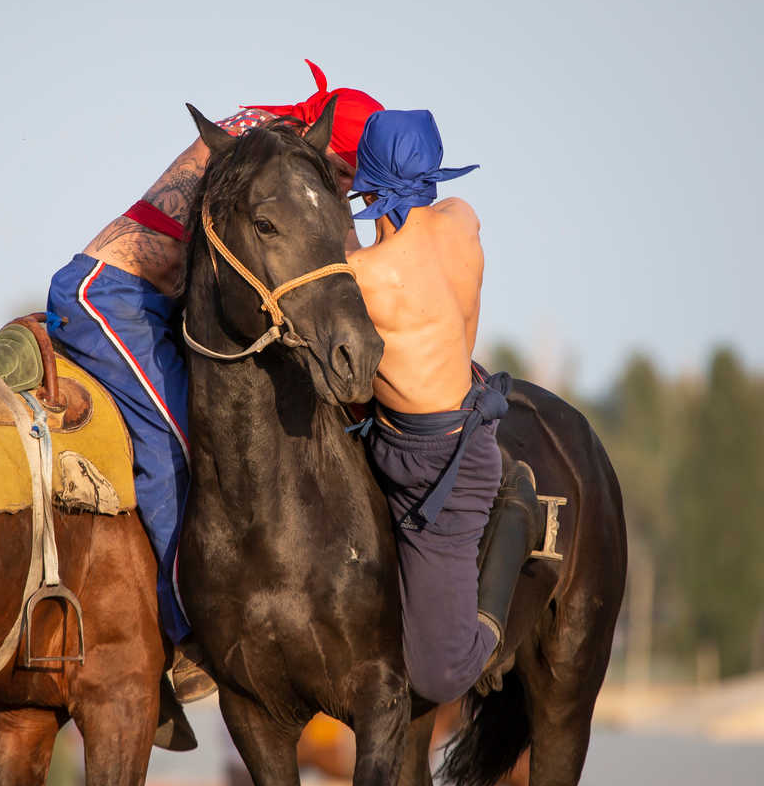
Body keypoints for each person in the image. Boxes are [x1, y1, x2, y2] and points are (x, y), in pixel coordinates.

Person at [45, 61, 383, 703]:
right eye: (345, 178)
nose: (347, 197)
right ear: (327, 141)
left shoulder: (274, 144)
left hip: (155, 306)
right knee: (181, 446)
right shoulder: (259, 150)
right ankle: (187, 638)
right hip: (112, 296)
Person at [345, 109, 539, 704]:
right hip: (429, 424)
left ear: (370, 185)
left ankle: (517, 517)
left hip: (438, 464)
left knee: (441, 674)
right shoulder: (463, 222)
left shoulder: (365, 276)